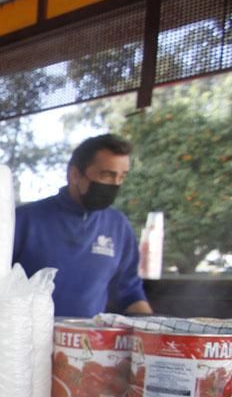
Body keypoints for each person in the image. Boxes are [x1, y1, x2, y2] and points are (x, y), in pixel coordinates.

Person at [13, 134, 152, 318]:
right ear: (75, 175)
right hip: (26, 340)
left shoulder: (118, 226)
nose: (115, 184)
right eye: (107, 175)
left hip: (88, 342)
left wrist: (154, 329)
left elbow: (129, 291)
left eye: (121, 176)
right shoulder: (25, 219)